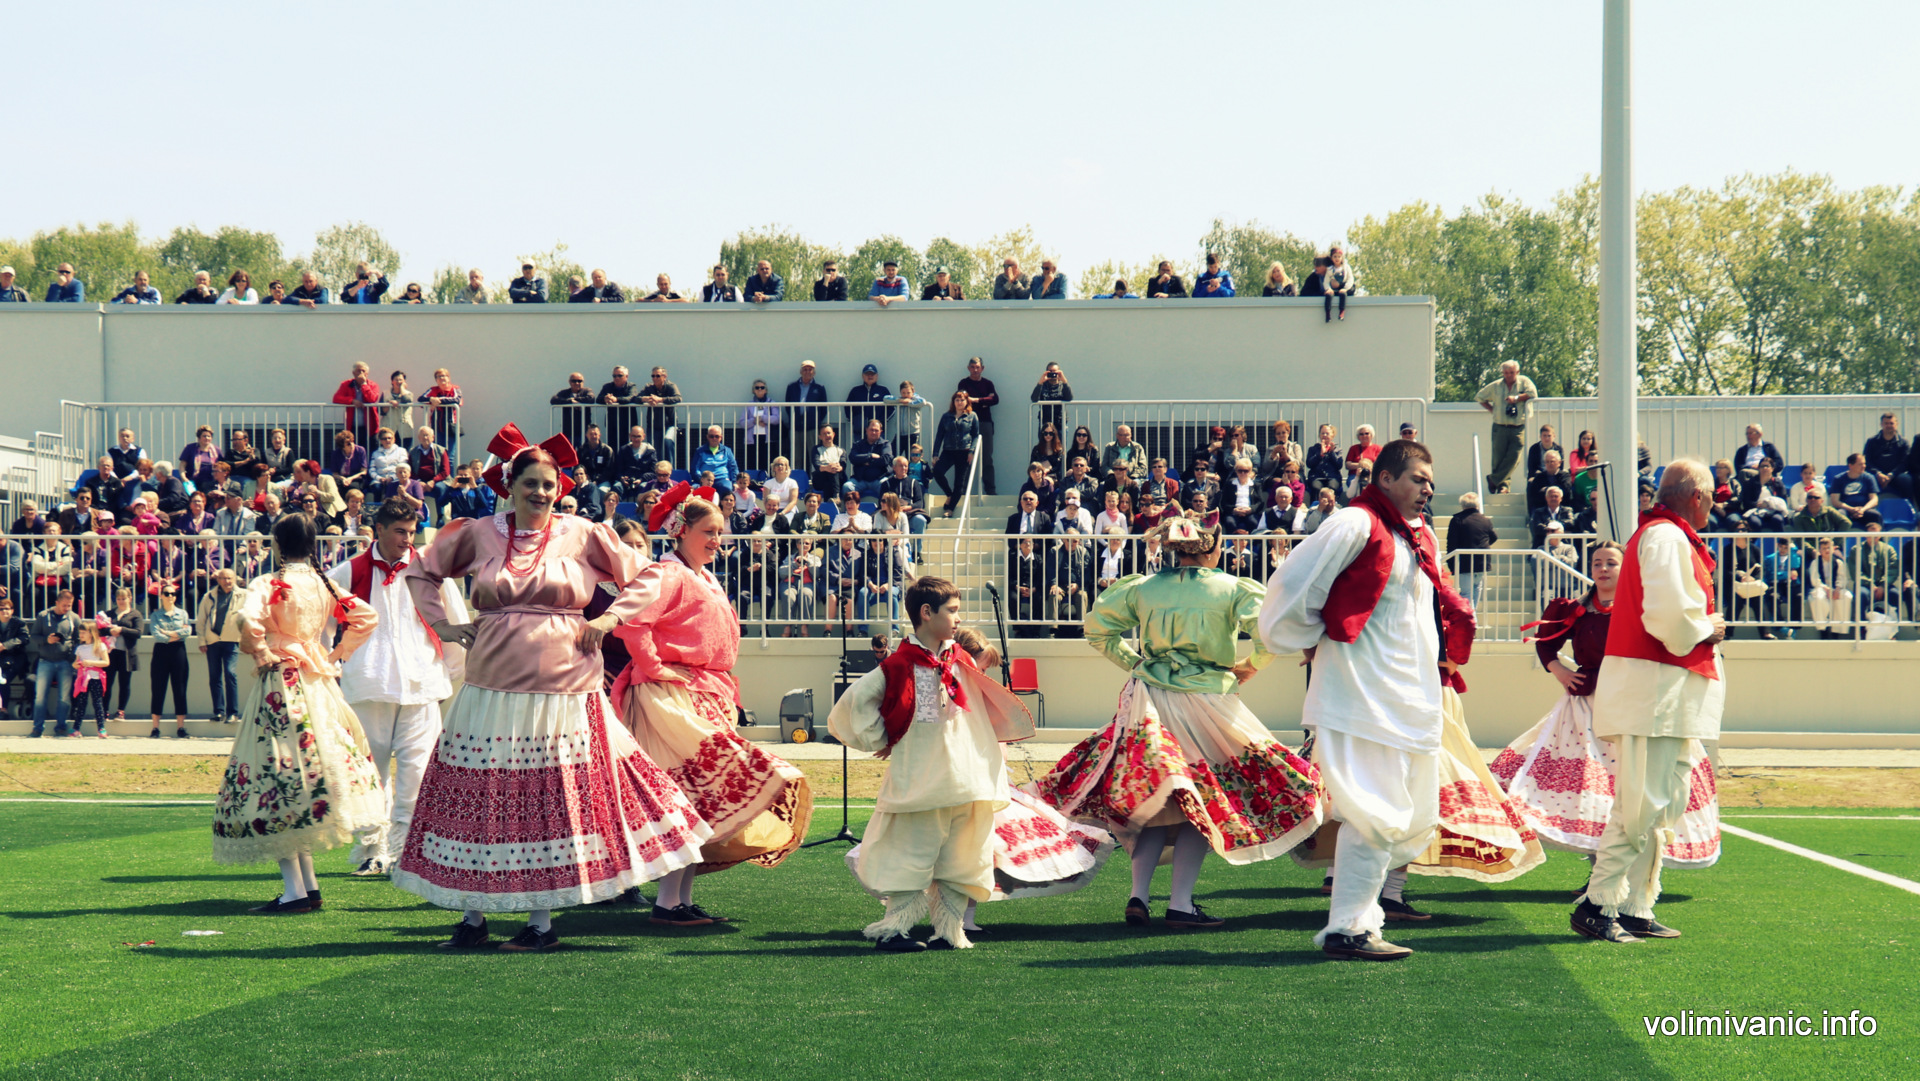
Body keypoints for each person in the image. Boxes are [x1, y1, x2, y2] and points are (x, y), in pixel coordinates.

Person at [392, 424, 712, 951]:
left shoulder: (583, 533)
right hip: (492, 684)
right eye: (531, 483)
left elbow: (650, 576)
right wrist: (444, 625)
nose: (541, 492)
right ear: (510, 485)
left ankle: (540, 924)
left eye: (549, 484)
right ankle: (473, 917)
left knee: (549, 802)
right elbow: (421, 571)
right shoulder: (479, 532)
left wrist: (609, 620)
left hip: (565, 688)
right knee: (485, 798)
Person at [1036, 517, 1322, 930]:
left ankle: (1138, 896)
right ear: (1211, 549)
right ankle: (1180, 903)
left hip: (1150, 699)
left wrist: (1136, 663)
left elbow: (1097, 630)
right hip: (1207, 700)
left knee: (1161, 802)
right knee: (1200, 799)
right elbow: (1269, 635)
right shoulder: (1231, 588)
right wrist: (1248, 666)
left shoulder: (1145, 587)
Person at [1259, 440, 1472, 961]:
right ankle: (1348, 928)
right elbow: (1293, 587)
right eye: (1418, 478)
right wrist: (1315, 640)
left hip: (1409, 697)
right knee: (1374, 813)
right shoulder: (1355, 523)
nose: (1428, 488)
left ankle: (1356, 924)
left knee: (1405, 815)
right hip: (1360, 694)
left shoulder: (1420, 536)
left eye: (1430, 480)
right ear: (1385, 479)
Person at [611, 484, 813, 925]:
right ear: (681, 531)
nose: (717, 540)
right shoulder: (667, 573)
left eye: (720, 532)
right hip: (672, 698)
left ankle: (678, 901)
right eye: (708, 531)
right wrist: (657, 667)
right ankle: (668, 902)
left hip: (703, 691)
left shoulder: (703, 575)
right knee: (685, 797)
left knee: (699, 800)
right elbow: (631, 622)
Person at [845, 628, 1114, 931]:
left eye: (985, 670)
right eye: (981, 668)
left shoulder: (973, 693)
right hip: (959, 784)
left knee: (976, 853)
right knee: (955, 851)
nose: (984, 675)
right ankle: (937, 915)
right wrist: (890, 738)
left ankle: (962, 919)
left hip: (985, 785)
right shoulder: (944, 689)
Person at [1492, 543, 1721, 880]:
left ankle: (1627, 875)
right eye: (1597, 563)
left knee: (1632, 787)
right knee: (1592, 788)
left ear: (1626, 569)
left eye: (1611, 563)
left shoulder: (1644, 608)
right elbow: (1546, 642)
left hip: (1635, 707)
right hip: (1585, 710)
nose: (1602, 569)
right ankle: (1599, 875)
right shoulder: (1577, 609)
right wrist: (1560, 670)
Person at [827, 577, 1033, 950]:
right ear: (926, 612)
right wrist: (882, 736)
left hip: (965, 778)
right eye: (951, 611)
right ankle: (894, 930)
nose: (958, 619)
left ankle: (950, 930)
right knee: (908, 852)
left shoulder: (961, 660)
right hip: (919, 778)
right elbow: (852, 704)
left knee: (962, 856)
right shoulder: (899, 663)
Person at [1574, 460, 1727, 944]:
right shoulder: (1665, 536)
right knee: (1642, 805)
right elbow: (1669, 618)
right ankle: (1597, 904)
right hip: (1654, 691)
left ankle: (1636, 904)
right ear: (1697, 496)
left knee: (1663, 805)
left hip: (1665, 693)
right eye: (1711, 496)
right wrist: (1708, 626)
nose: (1714, 505)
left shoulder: (1666, 535)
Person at [208, 514, 385, 913]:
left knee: (278, 775)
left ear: (277, 544)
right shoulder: (323, 583)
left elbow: (246, 618)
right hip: (316, 681)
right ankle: (306, 887)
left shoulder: (270, 582)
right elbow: (365, 616)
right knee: (301, 776)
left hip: (282, 682)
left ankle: (296, 890)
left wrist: (263, 651)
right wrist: (336, 654)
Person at [327, 498, 468, 878]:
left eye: (411, 532)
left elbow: (456, 621)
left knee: (417, 773)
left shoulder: (431, 570)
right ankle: (372, 850)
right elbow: (322, 620)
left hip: (421, 681)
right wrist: (329, 666)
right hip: (367, 682)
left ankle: (405, 852)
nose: (408, 539)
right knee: (369, 774)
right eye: (400, 532)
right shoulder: (348, 570)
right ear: (379, 531)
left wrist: (452, 669)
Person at [1476, 361, 1538, 494]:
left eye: (1511, 372)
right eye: (1505, 373)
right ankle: (1503, 486)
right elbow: (1480, 397)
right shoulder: (1496, 385)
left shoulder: (1524, 382)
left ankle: (1493, 479)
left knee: (1514, 456)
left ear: (1517, 372)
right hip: (1500, 426)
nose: (1508, 375)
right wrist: (1492, 410)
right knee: (1498, 458)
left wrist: (1516, 398)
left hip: (1518, 426)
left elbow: (1533, 394)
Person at [29, 589, 83, 738]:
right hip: (45, 661)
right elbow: (33, 636)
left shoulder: (74, 618)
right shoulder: (43, 616)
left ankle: (61, 727)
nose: (67, 608)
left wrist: (72, 656)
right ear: (56, 603)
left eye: (69, 605)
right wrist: (46, 640)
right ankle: (37, 728)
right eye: (64, 605)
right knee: (40, 696)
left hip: (65, 662)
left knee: (64, 697)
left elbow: (79, 640)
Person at [194, 568, 244, 724]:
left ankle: (233, 713)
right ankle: (219, 711)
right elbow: (201, 620)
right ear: (218, 580)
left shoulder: (244, 595)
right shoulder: (209, 596)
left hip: (232, 640)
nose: (227, 581)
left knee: (230, 673)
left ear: (234, 579)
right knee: (214, 676)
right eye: (223, 578)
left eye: (230, 578)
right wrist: (202, 641)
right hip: (212, 640)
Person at [1445, 492, 1498, 609]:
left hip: (1464, 563)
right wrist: (1482, 545)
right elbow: (1494, 537)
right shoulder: (1485, 520)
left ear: (1463, 505)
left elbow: (1451, 544)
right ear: (1477, 505)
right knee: (1476, 590)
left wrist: (1451, 563)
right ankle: (1472, 617)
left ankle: (1470, 618)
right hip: (1482, 562)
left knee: (1466, 594)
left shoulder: (1457, 520)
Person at [930, 391, 979, 518]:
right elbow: (939, 436)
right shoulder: (946, 416)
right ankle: (949, 495)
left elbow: (975, 435)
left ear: (966, 402)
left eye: (962, 400)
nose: (959, 402)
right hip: (948, 451)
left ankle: (950, 509)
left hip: (964, 451)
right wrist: (935, 454)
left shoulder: (972, 416)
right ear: (953, 402)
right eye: (957, 400)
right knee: (937, 471)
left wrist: (971, 451)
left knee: (959, 483)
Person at [956, 356, 999, 495]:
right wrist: (984, 402)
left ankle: (990, 491)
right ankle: (962, 492)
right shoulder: (963, 383)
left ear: (982, 368)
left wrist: (976, 400)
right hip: (967, 423)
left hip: (985, 423)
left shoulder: (988, 383)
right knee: (966, 456)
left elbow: (994, 399)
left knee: (987, 458)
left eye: (978, 367)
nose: (975, 370)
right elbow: (962, 400)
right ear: (968, 368)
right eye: (973, 367)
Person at [69, 619, 112, 737]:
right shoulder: (80, 648)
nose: (81, 635)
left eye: (83, 632)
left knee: (97, 703)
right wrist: (76, 665)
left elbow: (106, 662)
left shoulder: (100, 646)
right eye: (80, 632)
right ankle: (76, 729)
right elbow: (75, 663)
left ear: (91, 633)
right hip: (83, 679)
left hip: (95, 678)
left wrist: (91, 663)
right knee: (81, 704)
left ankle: (101, 728)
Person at [1322, 245, 1357, 321]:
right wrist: (1328, 289)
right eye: (1335, 256)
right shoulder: (1330, 269)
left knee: (1343, 295)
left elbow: (1350, 279)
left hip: (1344, 288)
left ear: (1342, 258)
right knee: (1328, 296)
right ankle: (1328, 314)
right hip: (1334, 289)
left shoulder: (1346, 267)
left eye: (1339, 257)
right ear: (1332, 258)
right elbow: (1326, 281)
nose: (1337, 258)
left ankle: (1341, 312)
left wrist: (1345, 288)